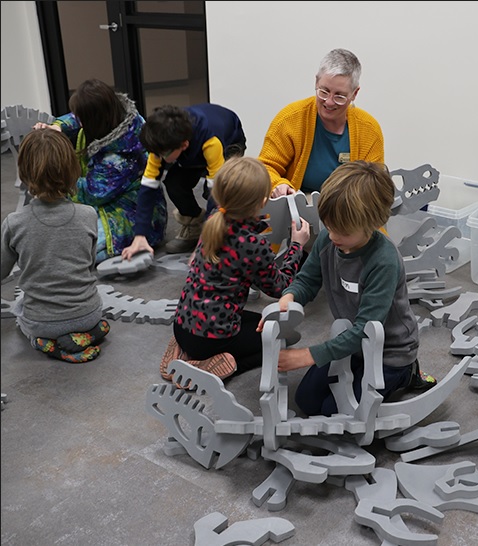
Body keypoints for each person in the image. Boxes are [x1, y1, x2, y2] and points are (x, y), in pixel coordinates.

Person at [266, 161, 436, 418]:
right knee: (307, 401)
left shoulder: (384, 261)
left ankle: (407, 374)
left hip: (389, 351)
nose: (332, 235)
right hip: (351, 342)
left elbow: (366, 330)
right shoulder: (328, 238)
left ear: (372, 223)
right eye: (329, 225)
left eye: (342, 231)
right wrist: (290, 297)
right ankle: (358, 369)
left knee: (337, 414)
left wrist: (308, 356)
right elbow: (308, 280)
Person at [160, 156, 310, 383]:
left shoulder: (214, 219)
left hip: (182, 327)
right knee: (278, 338)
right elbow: (279, 287)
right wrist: (297, 246)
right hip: (210, 340)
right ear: (262, 201)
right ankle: (206, 366)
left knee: (261, 321)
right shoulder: (251, 244)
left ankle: (183, 351)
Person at [1, 129, 110, 363]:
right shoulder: (88, 215)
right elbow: (88, 264)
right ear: (73, 170)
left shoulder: (14, 223)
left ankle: (45, 343)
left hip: (42, 322)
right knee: (88, 305)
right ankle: (92, 332)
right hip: (89, 313)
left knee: (20, 308)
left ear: (24, 174)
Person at [33, 78, 166, 263]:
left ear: (94, 119)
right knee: (63, 236)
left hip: (134, 215)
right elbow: (76, 116)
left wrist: (55, 179)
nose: (78, 120)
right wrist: (58, 126)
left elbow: (92, 193)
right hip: (111, 198)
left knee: (74, 249)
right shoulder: (116, 111)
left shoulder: (119, 156)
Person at [122, 103, 247, 258]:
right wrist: (140, 236)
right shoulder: (162, 143)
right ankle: (193, 224)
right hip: (191, 148)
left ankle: (223, 235)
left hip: (229, 141)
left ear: (184, 145)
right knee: (175, 183)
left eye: (162, 154)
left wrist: (205, 245)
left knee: (221, 192)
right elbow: (147, 189)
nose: (157, 158)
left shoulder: (211, 141)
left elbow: (217, 196)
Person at [257, 48, 384, 198]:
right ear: (316, 81)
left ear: (354, 93)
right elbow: (265, 167)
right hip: (297, 210)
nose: (329, 102)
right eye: (324, 91)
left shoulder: (369, 130)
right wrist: (278, 184)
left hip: (348, 213)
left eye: (340, 96)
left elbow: (375, 188)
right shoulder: (290, 119)